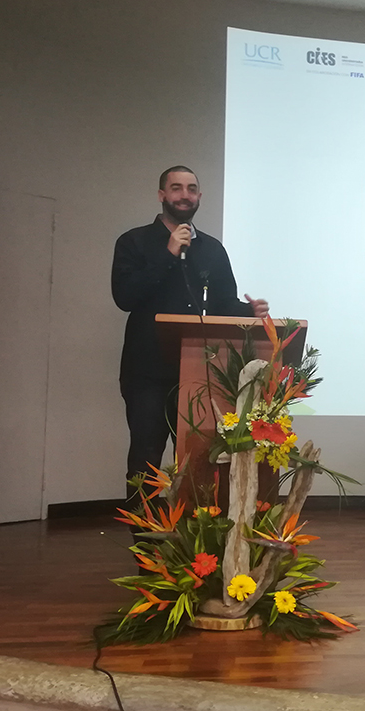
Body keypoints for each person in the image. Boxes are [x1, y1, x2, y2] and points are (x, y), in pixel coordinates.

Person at [111, 165, 269, 502]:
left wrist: (249, 313)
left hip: (200, 374)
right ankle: (147, 545)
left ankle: (194, 544)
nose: (185, 195)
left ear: (199, 197)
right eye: (177, 188)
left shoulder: (212, 249)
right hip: (147, 374)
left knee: (199, 457)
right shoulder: (134, 242)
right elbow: (125, 296)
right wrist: (167, 254)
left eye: (192, 189)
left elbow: (224, 304)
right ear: (162, 196)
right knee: (146, 460)